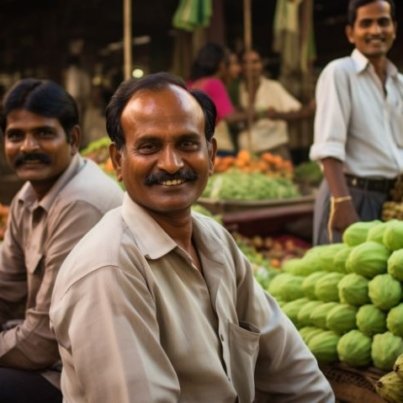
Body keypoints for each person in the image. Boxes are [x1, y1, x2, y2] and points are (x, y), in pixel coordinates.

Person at [50, 72, 334, 403]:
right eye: (149, 146)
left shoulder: (214, 239)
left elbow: (291, 368)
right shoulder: (109, 269)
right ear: (118, 161)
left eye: (187, 144)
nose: (171, 164)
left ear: (211, 155)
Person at [0, 78, 123, 402]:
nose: (28, 147)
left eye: (43, 133)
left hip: (77, 376)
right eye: (16, 136)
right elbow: (5, 288)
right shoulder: (28, 196)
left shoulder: (79, 203)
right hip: (48, 359)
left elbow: (42, 342)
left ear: (73, 139)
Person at [309, 0, 403, 245]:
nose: (375, 31)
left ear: (394, 28)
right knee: (341, 280)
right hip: (350, 195)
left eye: (383, 22)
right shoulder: (339, 72)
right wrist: (342, 203)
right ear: (351, 33)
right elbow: (328, 146)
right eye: (366, 23)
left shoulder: (399, 84)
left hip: (389, 201)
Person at [188, 43, 274, 155]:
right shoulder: (215, 84)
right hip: (214, 145)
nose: (238, 68)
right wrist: (257, 114)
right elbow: (230, 118)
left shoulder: (193, 83)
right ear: (222, 66)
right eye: (233, 64)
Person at [238, 49, 315, 160]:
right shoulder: (237, 90)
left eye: (255, 62)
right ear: (241, 66)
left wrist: (276, 115)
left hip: (274, 149)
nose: (251, 67)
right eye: (246, 62)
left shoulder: (273, 87)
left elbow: (299, 112)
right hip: (246, 153)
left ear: (261, 64)